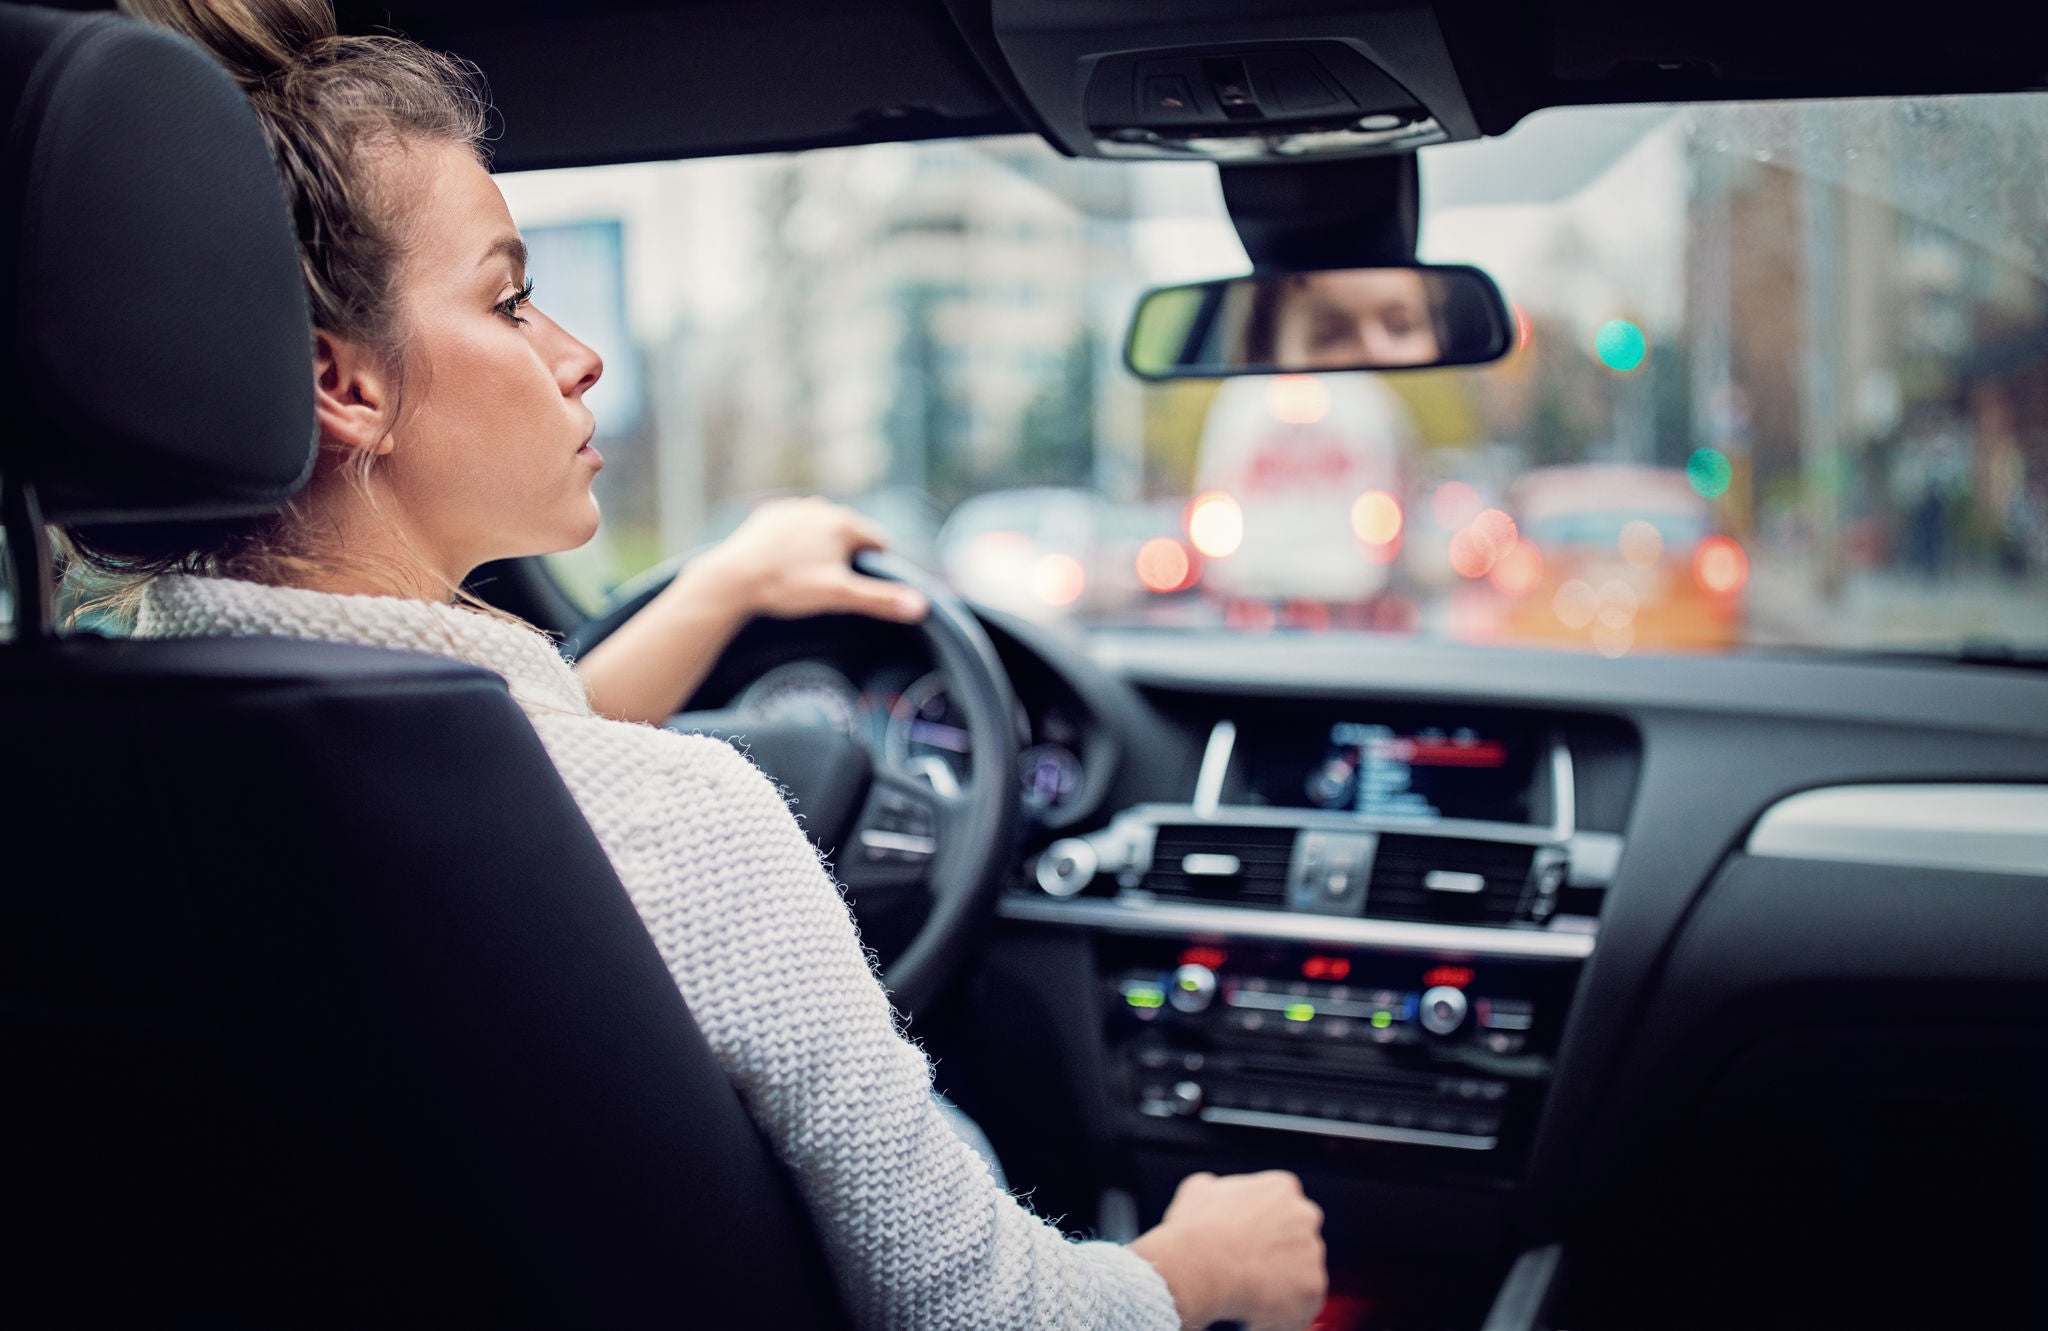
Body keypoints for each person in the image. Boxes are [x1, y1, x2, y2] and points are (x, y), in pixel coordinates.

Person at [66, 3, 1329, 1329]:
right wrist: (1203, 1266)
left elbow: (491, 776)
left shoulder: (95, 768)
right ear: (346, 386)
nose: (576, 355)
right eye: (509, 299)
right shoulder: (688, 825)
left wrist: (725, 584)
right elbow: (988, 1314)